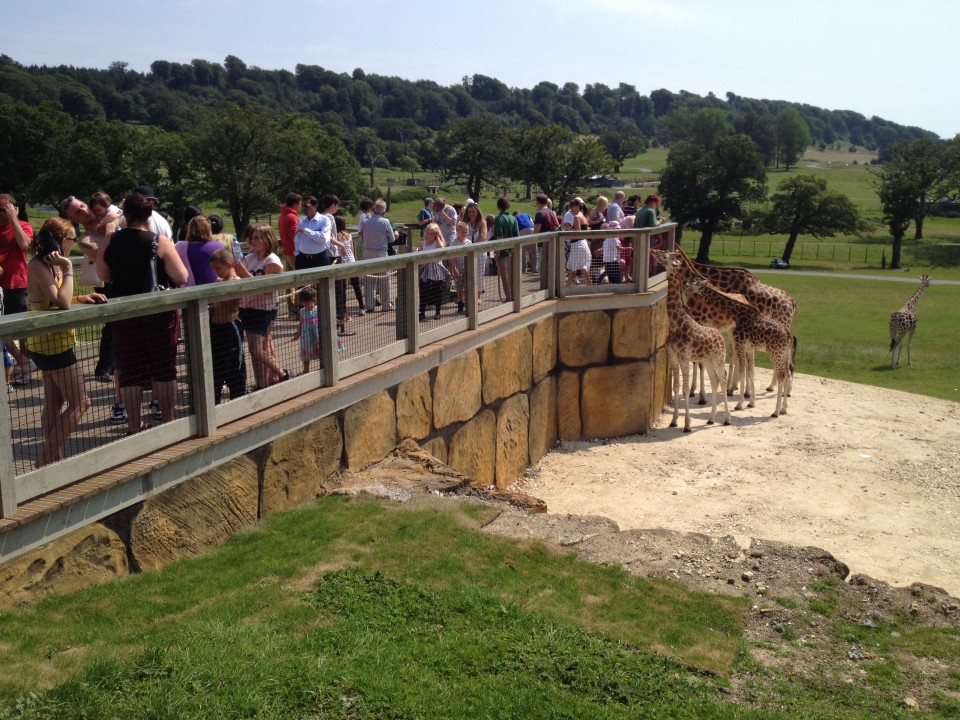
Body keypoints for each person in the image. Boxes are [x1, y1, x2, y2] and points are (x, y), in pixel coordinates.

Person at [96, 191, 189, 434]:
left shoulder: (110, 241)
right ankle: (168, 422)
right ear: (150, 213)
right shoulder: (160, 241)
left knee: (130, 369)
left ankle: (133, 426)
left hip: (124, 312)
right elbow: (182, 277)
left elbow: (104, 275)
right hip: (158, 312)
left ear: (124, 213)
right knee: (164, 367)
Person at [26, 218, 106, 466]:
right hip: (54, 346)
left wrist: (82, 298)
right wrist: (69, 267)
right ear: (61, 242)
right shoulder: (40, 266)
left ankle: (54, 456)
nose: (75, 243)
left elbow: (59, 300)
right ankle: (48, 454)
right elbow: (60, 302)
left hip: (49, 344)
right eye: (73, 239)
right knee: (81, 402)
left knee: (55, 401)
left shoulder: (49, 266)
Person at [239, 224, 287, 390]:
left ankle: (281, 373)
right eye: (252, 237)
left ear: (267, 240)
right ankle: (261, 383)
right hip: (247, 307)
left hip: (264, 308)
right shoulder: (250, 258)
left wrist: (242, 272)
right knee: (255, 350)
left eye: (257, 237)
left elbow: (264, 287)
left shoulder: (272, 260)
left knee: (256, 349)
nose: (253, 241)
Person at [0, 193, 35, 384]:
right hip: (0, 287)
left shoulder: (23, 226)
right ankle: (23, 361)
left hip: (17, 283)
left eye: (4, 209)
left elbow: (24, 244)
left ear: (14, 208)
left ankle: (25, 369)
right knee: (2, 329)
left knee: (22, 331)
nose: (1, 213)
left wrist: (13, 219)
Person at [207, 248, 247, 403]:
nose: (216, 272)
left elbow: (233, 307)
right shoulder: (218, 282)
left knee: (234, 366)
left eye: (218, 268)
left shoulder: (235, 282)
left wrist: (221, 294)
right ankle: (214, 402)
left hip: (230, 326)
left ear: (229, 265)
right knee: (216, 365)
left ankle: (238, 398)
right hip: (216, 327)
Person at [359, 199, 396, 312]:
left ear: (374, 209)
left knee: (369, 280)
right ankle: (386, 304)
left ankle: (370, 305)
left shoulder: (365, 222)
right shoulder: (385, 222)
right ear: (383, 211)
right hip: (381, 253)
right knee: (384, 280)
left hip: (367, 252)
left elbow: (361, 236)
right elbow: (392, 238)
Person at [174, 216, 222, 287]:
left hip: (188, 292)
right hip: (214, 289)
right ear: (208, 229)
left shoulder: (180, 247)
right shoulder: (218, 247)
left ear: (190, 229)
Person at [417, 222, 448, 321]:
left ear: (435, 234)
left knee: (436, 290)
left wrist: (438, 237)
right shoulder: (423, 243)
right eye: (428, 233)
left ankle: (437, 312)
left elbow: (441, 249)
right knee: (423, 291)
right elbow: (419, 253)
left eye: (432, 234)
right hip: (426, 267)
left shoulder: (437, 242)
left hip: (436, 267)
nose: (429, 236)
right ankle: (422, 312)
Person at [278, 192, 302, 316]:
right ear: (296, 204)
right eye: (300, 204)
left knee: (289, 283)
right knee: (299, 281)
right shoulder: (292, 217)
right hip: (294, 252)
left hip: (286, 251)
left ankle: (291, 308)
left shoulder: (282, 215)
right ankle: (297, 309)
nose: (301, 207)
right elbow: (295, 235)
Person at [294, 195, 334, 269]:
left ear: (315, 206)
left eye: (306, 206)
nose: (304, 208)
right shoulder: (301, 221)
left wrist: (306, 231)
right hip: (302, 260)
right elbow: (297, 238)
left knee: (323, 280)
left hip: (320, 259)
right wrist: (297, 253)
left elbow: (323, 238)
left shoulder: (324, 220)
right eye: (302, 206)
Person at [492, 197, 519, 302]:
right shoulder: (513, 218)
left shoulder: (499, 219)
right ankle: (514, 295)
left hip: (503, 252)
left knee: (504, 277)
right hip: (513, 251)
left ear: (498, 207)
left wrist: (497, 253)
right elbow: (517, 236)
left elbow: (499, 237)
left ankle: (508, 297)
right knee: (512, 276)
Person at [564, 198, 592, 287]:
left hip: (577, 244)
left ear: (577, 206)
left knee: (572, 268)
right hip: (584, 243)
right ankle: (590, 284)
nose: (571, 208)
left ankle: (567, 286)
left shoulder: (576, 217)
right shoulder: (583, 216)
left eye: (572, 206)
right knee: (583, 267)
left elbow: (578, 232)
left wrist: (569, 228)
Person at [464, 200, 488, 303]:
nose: (471, 214)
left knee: (478, 274)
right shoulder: (466, 223)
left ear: (477, 211)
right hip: (468, 251)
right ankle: (468, 296)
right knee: (468, 274)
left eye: (473, 211)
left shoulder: (482, 222)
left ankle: (478, 296)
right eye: (469, 212)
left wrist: (472, 246)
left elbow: (483, 237)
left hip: (479, 252)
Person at [292, 285, 320, 373]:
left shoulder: (318, 310)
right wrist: (298, 334)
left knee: (320, 349)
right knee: (306, 352)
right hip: (306, 337)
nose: (305, 304)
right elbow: (301, 323)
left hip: (317, 335)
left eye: (307, 302)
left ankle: (323, 366)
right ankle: (306, 369)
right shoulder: (302, 311)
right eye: (303, 302)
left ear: (313, 300)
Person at [450, 221, 471, 314]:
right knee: (459, 287)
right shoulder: (454, 243)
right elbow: (452, 257)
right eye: (462, 232)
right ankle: (460, 302)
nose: (464, 234)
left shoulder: (468, 242)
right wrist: (454, 267)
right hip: (458, 267)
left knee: (467, 286)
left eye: (466, 232)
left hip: (466, 267)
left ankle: (467, 304)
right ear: (457, 231)